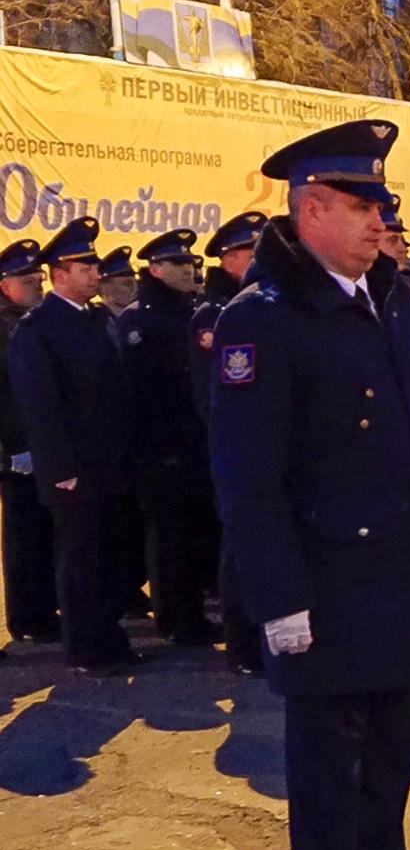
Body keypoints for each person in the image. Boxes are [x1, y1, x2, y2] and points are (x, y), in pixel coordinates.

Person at [208, 120, 410, 850]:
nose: (380, 222)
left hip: (401, 578)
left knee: (389, 761)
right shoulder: (266, 317)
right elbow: (251, 477)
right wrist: (278, 600)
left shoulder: (387, 299)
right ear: (312, 206)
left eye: (383, 206)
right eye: (363, 207)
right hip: (328, 590)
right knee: (329, 772)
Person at [9, 217, 144, 674]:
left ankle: (110, 638)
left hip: (107, 463)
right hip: (73, 469)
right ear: (59, 274)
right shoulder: (39, 328)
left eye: (93, 266)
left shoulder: (96, 320)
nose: (94, 274)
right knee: (81, 561)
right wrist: (59, 468)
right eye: (84, 268)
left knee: (109, 556)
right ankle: (87, 649)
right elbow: (40, 407)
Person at [115, 229, 221, 646]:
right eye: (177, 264)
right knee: (169, 538)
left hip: (193, 443)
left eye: (189, 262)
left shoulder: (190, 311)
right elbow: (135, 394)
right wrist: (151, 449)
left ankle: (190, 612)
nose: (188, 269)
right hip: (160, 449)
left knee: (193, 534)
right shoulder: (139, 320)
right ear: (155, 269)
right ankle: (175, 619)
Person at [191, 212, 268, 674]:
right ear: (230, 259)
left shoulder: (254, 305)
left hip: (256, 446)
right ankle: (243, 647)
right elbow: (212, 393)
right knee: (239, 550)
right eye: (251, 253)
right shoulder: (216, 314)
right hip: (234, 447)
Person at [0, 240, 56, 646]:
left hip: (42, 445)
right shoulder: (6, 327)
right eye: (26, 279)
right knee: (23, 536)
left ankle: (43, 609)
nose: (36, 284)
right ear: (5, 285)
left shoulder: (34, 321)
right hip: (14, 450)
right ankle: (27, 617)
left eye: (38, 277)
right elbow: (6, 395)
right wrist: (16, 444)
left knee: (42, 532)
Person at [96, 246, 137, 317]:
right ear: (105, 289)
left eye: (137, 283)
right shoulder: (94, 323)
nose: (135, 289)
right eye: (127, 284)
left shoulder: (142, 320)